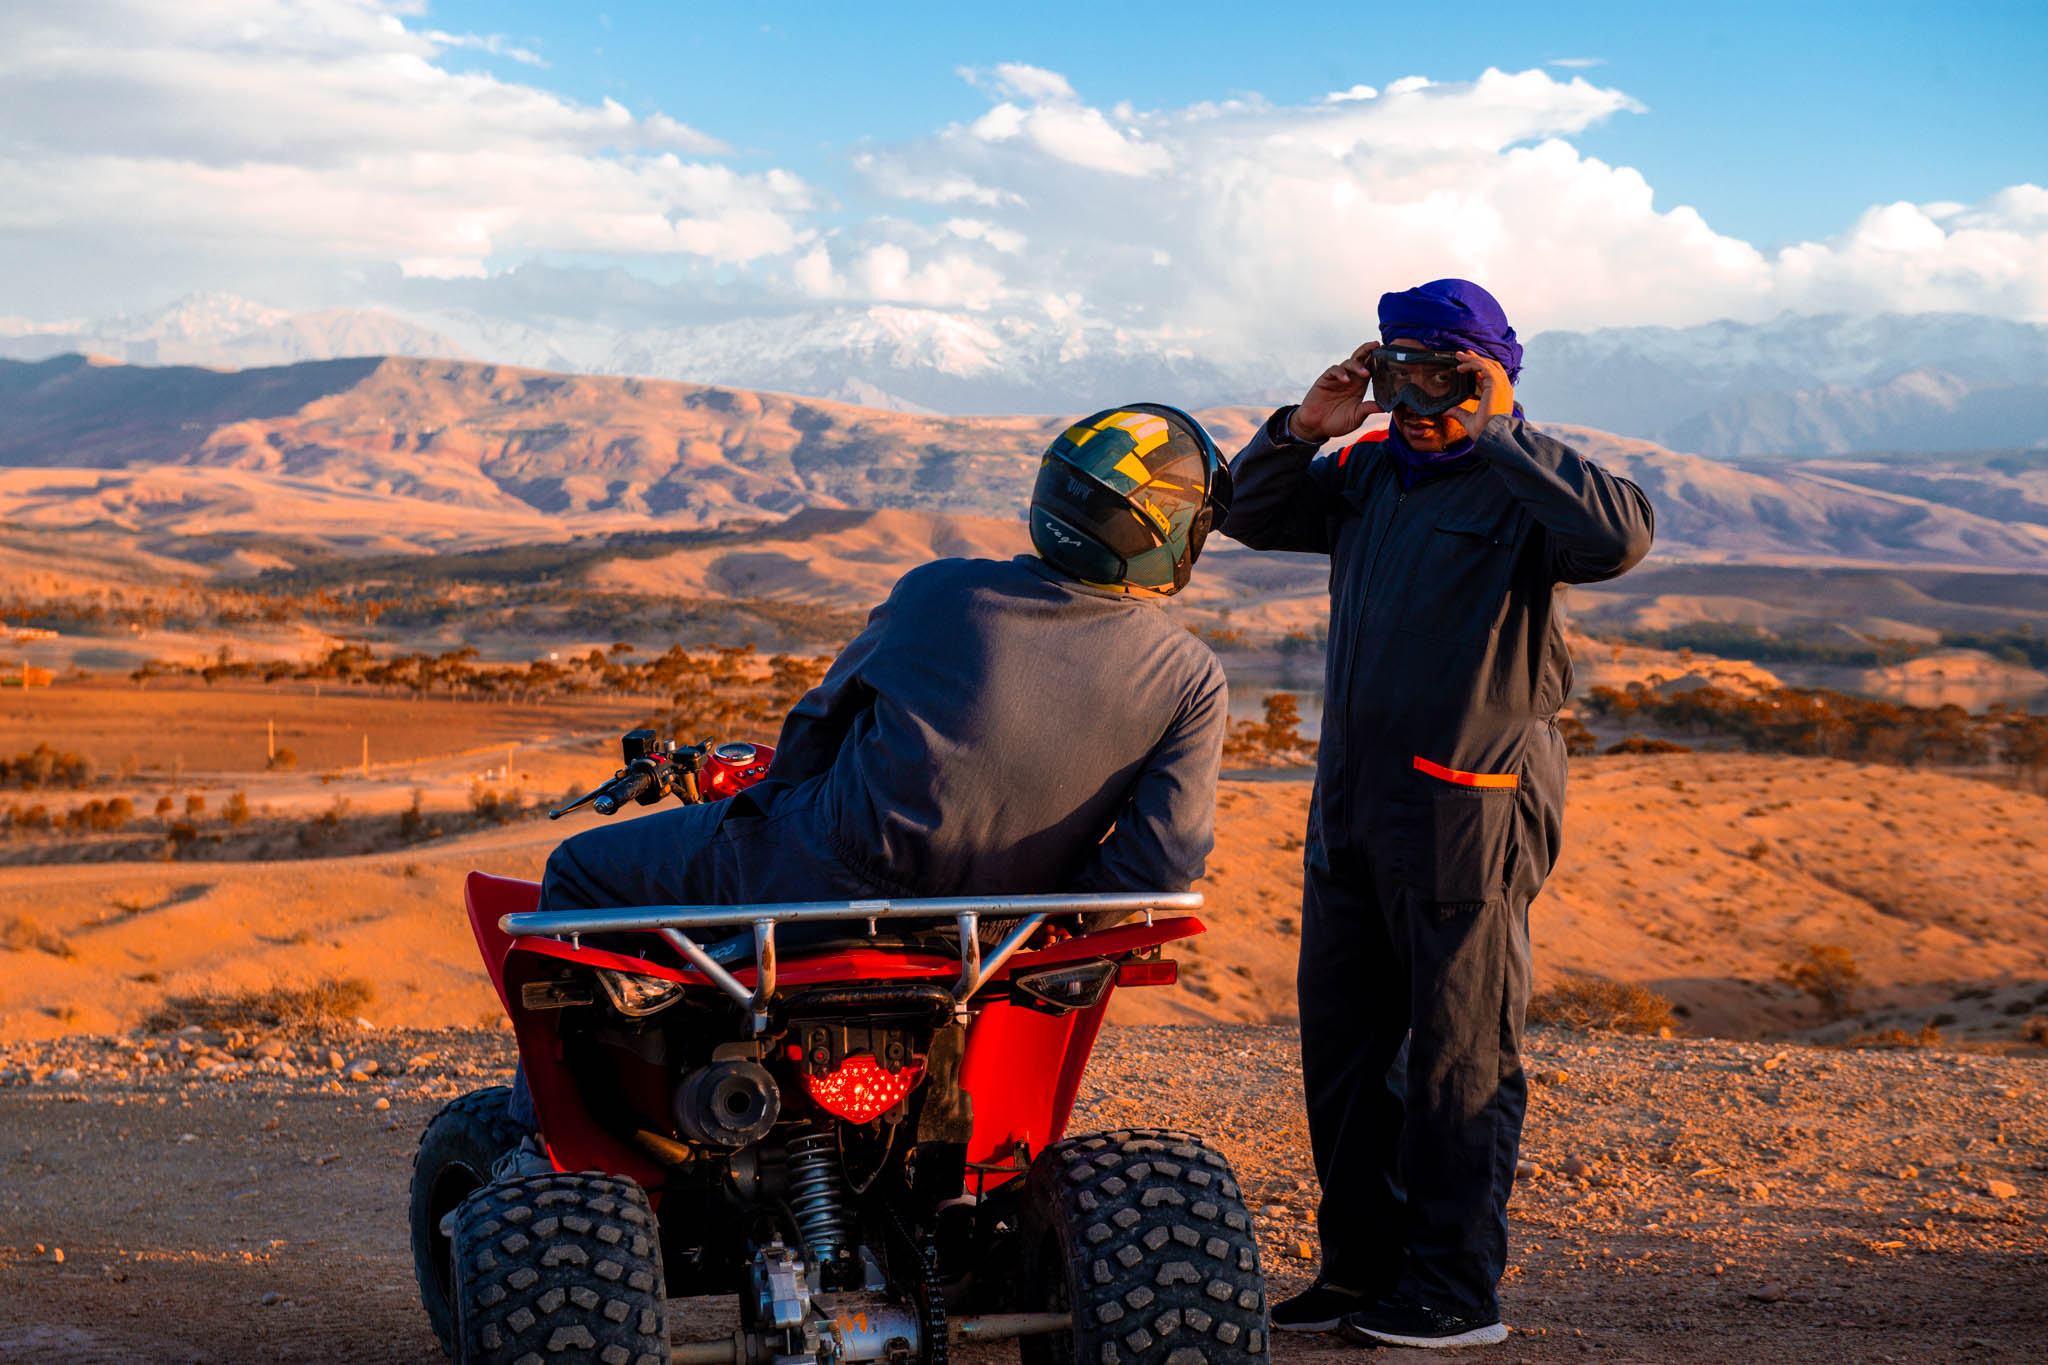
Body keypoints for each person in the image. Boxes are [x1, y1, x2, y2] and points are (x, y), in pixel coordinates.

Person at [1222, 280, 1654, 1349]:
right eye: (1397, 368)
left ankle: (1455, 1290)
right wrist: (1301, 428)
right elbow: (1246, 511)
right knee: (1345, 1051)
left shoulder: (1527, 488)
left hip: (1469, 808)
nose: (1415, 396)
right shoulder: (1368, 473)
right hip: (1352, 810)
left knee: (1456, 1054)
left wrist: (1498, 429)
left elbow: (1618, 540)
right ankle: (1360, 1271)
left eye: (1438, 371)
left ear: (1488, 371)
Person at [537, 399, 1233, 933]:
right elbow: (1161, 864)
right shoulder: (1191, 678)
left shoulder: (942, 589)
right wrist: (1038, 927)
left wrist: (767, 817)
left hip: (828, 867)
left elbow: (816, 728)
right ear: (1172, 535)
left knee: (575, 871)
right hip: (998, 937)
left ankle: (545, 1125)